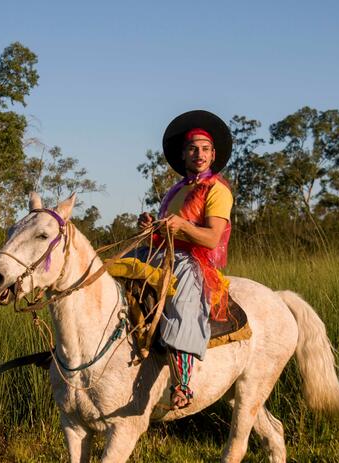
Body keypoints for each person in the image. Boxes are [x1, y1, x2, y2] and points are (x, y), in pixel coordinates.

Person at [135, 110, 233, 409]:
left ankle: (184, 383)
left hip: (192, 259)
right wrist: (153, 225)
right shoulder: (177, 190)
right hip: (164, 252)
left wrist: (183, 227)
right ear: (184, 154)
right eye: (193, 149)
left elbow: (212, 237)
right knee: (117, 272)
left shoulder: (217, 190)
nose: (199, 154)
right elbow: (168, 229)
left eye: (205, 149)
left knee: (182, 304)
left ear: (213, 154)